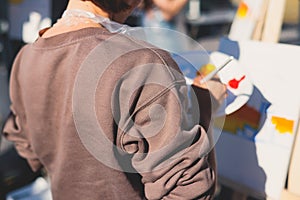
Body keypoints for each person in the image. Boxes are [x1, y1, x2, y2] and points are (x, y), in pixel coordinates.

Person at [2, 0, 226, 199]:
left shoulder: (26, 58)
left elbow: (26, 145)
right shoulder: (143, 63)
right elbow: (188, 189)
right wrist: (204, 104)